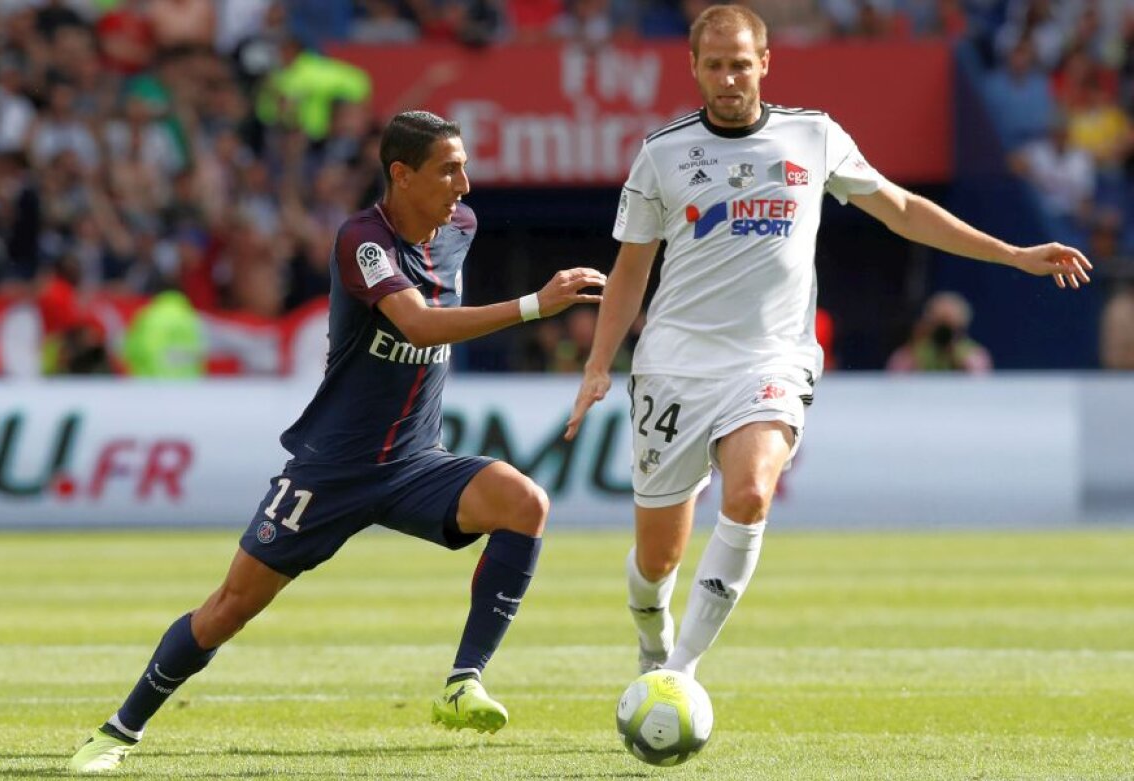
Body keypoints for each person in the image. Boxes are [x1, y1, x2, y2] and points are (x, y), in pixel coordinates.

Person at [564, 4, 1092, 681]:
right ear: (694, 67)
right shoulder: (662, 154)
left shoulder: (812, 136)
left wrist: (1013, 254)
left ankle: (679, 673)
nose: (729, 78)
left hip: (771, 360)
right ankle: (652, 632)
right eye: (715, 65)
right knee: (656, 560)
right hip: (674, 367)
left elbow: (902, 209)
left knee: (750, 494)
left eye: (741, 64)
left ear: (765, 63)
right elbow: (631, 270)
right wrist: (599, 364)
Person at [69, 110, 606, 773]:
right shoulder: (363, 241)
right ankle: (118, 731)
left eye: (465, 167)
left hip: (414, 461)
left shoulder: (460, 228)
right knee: (229, 608)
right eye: (448, 169)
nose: (464, 184)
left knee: (524, 503)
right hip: (333, 469)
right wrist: (534, 306)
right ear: (401, 174)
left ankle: (464, 681)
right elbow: (418, 326)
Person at [886, 291, 993, 373]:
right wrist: (913, 348)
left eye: (949, 328)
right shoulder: (913, 353)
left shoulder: (972, 354)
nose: (943, 334)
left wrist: (956, 357)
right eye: (939, 326)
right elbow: (895, 382)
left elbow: (979, 383)